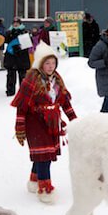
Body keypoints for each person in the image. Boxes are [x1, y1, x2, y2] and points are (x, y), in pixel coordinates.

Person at [12, 42, 77, 203]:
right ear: (40, 64)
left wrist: (74, 120)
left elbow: (65, 102)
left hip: (52, 122)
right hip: (35, 123)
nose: (50, 66)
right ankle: (45, 188)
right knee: (44, 155)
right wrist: (19, 127)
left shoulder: (57, 79)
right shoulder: (31, 80)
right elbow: (22, 107)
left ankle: (34, 180)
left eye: (53, 63)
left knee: (44, 154)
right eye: (47, 63)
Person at [4, 17, 31, 96]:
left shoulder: (25, 32)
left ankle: (23, 91)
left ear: (20, 24)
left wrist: (19, 48)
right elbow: (5, 41)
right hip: (11, 56)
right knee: (10, 75)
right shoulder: (9, 32)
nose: (15, 24)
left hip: (22, 57)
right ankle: (10, 91)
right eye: (14, 23)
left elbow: (28, 44)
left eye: (17, 23)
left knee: (23, 76)